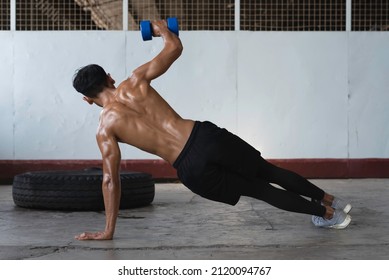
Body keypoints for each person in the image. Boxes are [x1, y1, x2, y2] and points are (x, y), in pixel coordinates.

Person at [72, 20, 351, 240]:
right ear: (109, 77)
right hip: (204, 137)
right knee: (269, 170)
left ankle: (327, 214)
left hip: (189, 167)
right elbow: (174, 48)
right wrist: (160, 29)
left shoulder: (104, 130)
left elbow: (110, 180)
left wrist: (108, 231)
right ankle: (333, 202)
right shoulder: (134, 81)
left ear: (86, 99)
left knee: (260, 190)